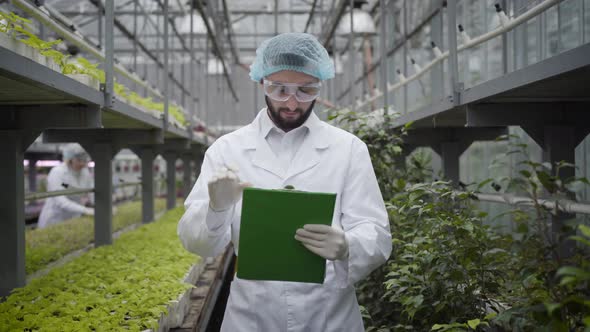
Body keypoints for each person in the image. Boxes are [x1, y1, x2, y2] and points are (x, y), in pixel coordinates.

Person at [178, 32, 391, 331]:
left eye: (306, 91)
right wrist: (215, 209)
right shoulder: (227, 150)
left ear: (319, 85)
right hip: (252, 316)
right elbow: (196, 243)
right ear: (262, 83)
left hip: (328, 316)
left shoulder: (349, 149)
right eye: (279, 90)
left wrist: (348, 246)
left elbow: (378, 234)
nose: (292, 102)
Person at [38, 143, 94, 228]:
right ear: (70, 159)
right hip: (55, 218)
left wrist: (101, 207)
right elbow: (60, 201)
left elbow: (91, 191)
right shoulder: (57, 172)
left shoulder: (84, 172)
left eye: (84, 160)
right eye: (79, 160)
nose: (82, 163)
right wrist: (85, 210)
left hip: (74, 218)